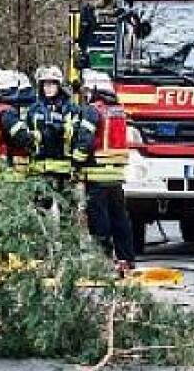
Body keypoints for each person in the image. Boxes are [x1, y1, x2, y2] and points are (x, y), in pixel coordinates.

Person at [72, 70, 136, 274]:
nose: (86, 95)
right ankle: (127, 258)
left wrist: (76, 162)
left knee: (99, 220)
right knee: (120, 219)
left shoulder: (93, 111)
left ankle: (104, 260)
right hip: (116, 176)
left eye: (88, 91)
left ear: (95, 90)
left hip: (97, 174)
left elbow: (86, 139)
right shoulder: (119, 110)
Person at [28, 65, 90, 191]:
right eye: (45, 84)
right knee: (41, 201)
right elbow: (28, 132)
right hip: (39, 168)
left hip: (64, 169)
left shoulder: (71, 108)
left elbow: (78, 134)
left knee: (65, 201)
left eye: (52, 84)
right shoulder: (34, 109)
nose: (48, 88)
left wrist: (61, 129)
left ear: (59, 85)